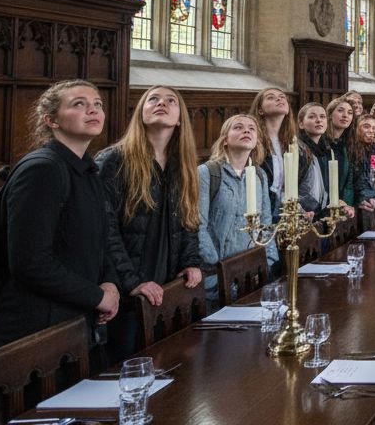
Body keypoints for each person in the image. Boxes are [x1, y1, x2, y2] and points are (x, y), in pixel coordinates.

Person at [0, 80, 124, 354]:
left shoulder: (87, 170)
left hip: (74, 322)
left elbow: (100, 242)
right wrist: (98, 297)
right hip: (34, 332)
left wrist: (110, 283)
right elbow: (29, 262)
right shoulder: (42, 169)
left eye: (97, 104)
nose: (92, 110)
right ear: (51, 120)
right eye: (79, 104)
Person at [97, 86, 204, 359]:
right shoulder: (115, 160)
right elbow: (104, 230)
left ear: (180, 118)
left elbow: (189, 219)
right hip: (127, 291)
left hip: (167, 284)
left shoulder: (182, 164)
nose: (161, 103)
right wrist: (132, 281)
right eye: (152, 99)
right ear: (140, 113)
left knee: (168, 363)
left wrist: (191, 261)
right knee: (129, 365)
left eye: (171, 101)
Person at [197, 114, 278, 303]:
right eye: (238, 127)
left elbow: (265, 221)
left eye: (252, 128)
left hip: (252, 275)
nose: (246, 130)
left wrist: (268, 260)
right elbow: (197, 224)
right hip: (215, 278)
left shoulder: (259, 175)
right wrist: (220, 265)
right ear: (225, 140)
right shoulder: (207, 173)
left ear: (257, 140)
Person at [249, 87, 295, 212]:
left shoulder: (292, 143)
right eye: (271, 97)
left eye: (282, 96)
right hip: (259, 210)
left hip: (285, 212)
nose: (279, 99)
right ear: (260, 110)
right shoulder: (252, 141)